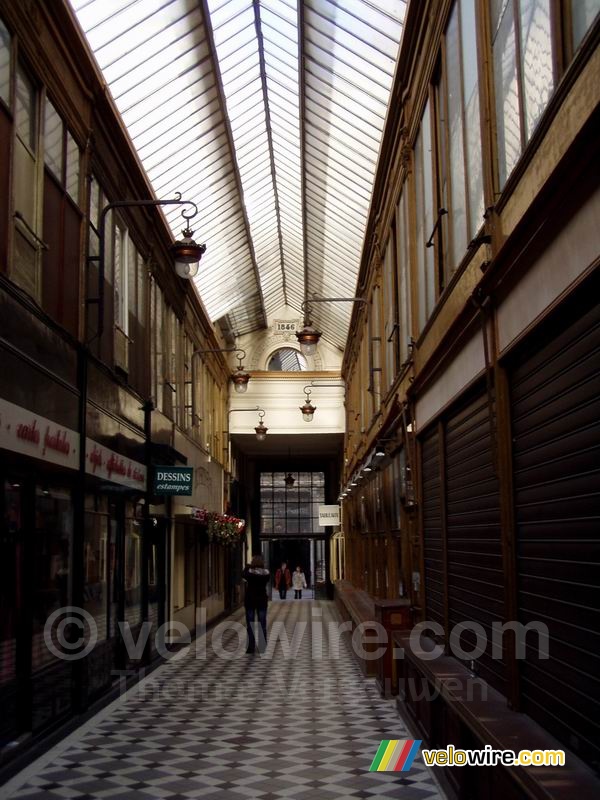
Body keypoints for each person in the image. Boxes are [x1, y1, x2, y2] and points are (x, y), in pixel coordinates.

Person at [242, 555, 270, 653]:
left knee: (251, 624)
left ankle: (251, 647)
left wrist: (247, 566)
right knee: (262, 623)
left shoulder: (250, 573)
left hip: (250, 600)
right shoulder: (266, 574)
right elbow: (267, 577)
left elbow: (243, 574)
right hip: (262, 600)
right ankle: (262, 646)